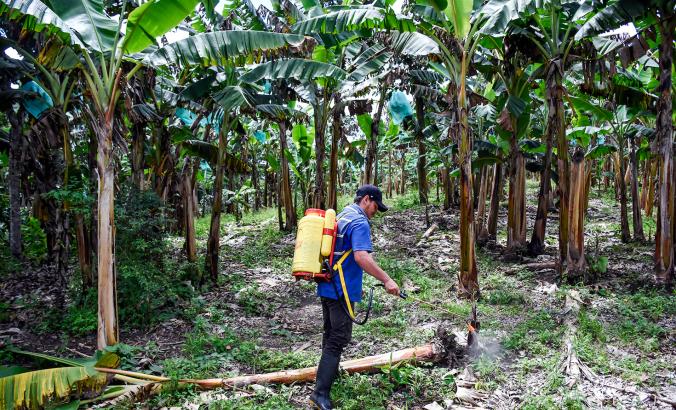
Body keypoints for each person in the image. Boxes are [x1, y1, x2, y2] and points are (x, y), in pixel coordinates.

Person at [310, 184, 401, 410]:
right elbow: (361, 257)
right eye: (375, 207)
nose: (375, 212)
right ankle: (320, 393)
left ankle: (329, 377)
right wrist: (387, 279)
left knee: (331, 333)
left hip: (328, 285)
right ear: (367, 200)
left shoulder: (343, 214)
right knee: (338, 338)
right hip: (340, 289)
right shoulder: (359, 222)